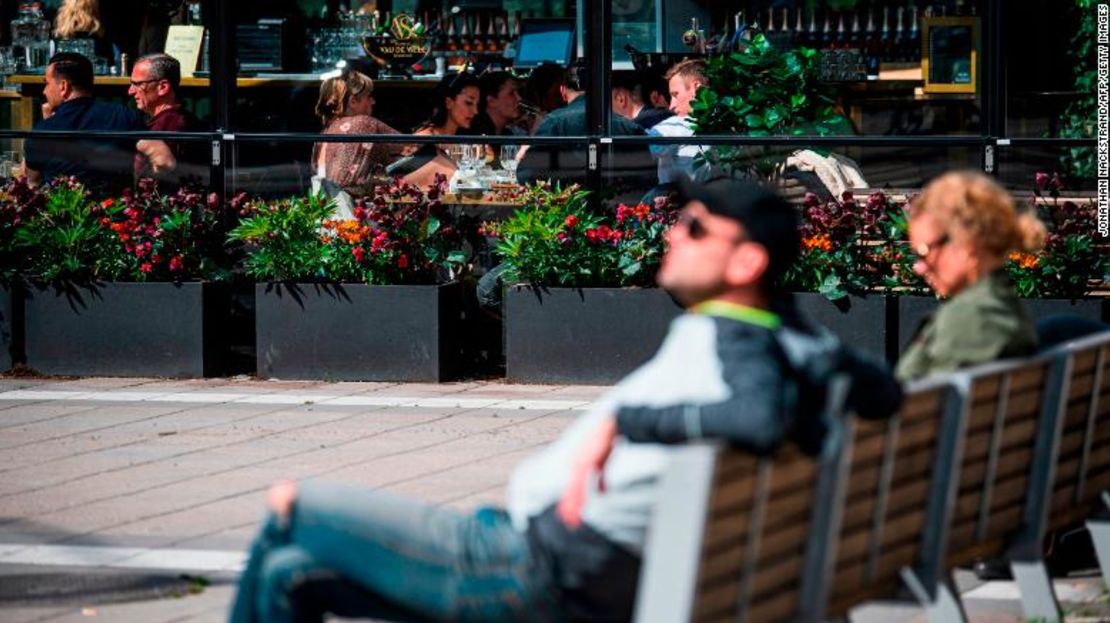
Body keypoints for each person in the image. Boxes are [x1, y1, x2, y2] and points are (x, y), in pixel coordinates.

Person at [228, 176, 903, 623]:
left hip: (538, 569)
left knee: (289, 505)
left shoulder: (737, 344)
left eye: (695, 228)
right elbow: (885, 389)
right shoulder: (794, 339)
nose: (672, 232)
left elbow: (759, 415)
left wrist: (625, 424)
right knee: (291, 572)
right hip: (563, 552)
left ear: (746, 263)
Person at [895, 170, 1046, 381]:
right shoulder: (1001, 306)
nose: (919, 268)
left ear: (967, 243)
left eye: (924, 252)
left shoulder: (972, 318)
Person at [23, 52, 174, 193]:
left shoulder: (42, 131)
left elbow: (32, 183)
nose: (44, 91)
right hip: (114, 215)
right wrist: (143, 195)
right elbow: (164, 161)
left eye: (47, 83)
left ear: (63, 86)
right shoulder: (122, 115)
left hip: (64, 217)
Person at [517, 60, 650, 187]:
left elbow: (527, 175)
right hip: (616, 207)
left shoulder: (554, 122)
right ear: (602, 89)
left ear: (562, 91)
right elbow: (645, 178)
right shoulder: (629, 127)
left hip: (567, 207)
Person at [311, 66, 403, 201]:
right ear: (353, 101)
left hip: (324, 210)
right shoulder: (363, 123)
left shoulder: (327, 131)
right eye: (369, 96)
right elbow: (412, 147)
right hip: (350, 214)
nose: (373, 101)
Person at [386, 72, 480, 188]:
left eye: (477, 104)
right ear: (449, 102)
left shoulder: (459, 140)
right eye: (469, 103)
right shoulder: (424, 140)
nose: (475, 111)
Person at [128, 53, 204, 185]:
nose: (131, 91)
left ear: (163, 87)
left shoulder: (171, 125)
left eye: (138, 84)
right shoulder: (170, 121)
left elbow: (154, 184)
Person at [648, 58, 710, 185]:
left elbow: (640, 143)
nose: (671, 105)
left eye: (675, 94)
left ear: (697, 88)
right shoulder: (735, 123)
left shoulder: (675, 126)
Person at [464, 70, 526, 137]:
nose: (519, 98)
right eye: (511, 94)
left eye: (517, 93)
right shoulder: (475, 136)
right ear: (492, 101)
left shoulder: (507, 134)